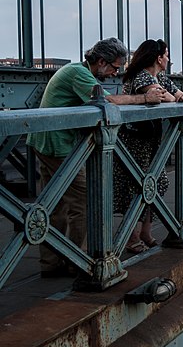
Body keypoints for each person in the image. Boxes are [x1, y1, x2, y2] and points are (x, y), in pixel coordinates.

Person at [26, 37, 170, 277]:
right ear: (101, 61)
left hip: (46, 141)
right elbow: (107, 101)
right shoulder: (78, 74)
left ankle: (51, 263)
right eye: (114, 67)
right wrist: (145, 98)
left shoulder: (78, 71)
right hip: (58, 145)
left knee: (56, 205)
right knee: (83, 200)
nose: (115, 73)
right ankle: (77, 260)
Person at [113, 39, 183, 253]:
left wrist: (177, 97)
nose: (169, 59)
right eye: (167, 55)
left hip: (150, 141)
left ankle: (145, 232)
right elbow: (160, 96)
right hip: (133, 141)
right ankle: (132, 237)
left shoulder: (161, 76)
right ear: (158, 58)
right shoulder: (142, 76)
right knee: (137, 188)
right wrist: (174, 98)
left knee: (156, 183)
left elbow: (179, 94)